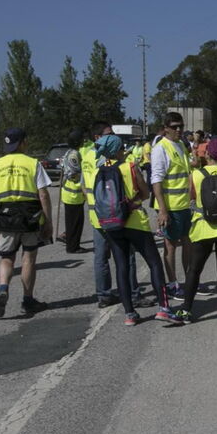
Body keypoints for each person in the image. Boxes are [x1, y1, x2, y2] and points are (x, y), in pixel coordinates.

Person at [93, 134, 181, 326]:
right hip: (135, 222)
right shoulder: (130, 167)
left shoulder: (100, 170)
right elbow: (145, 192)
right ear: (118, 149)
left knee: (122, 267)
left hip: (112, 224)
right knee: (154, 263)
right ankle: (164, 308)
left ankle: (129, 314)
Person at [0, 128, 53, 317]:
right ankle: (28, 300)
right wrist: (48, 222)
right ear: (23, 142)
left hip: (5, 218)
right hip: (29, 217)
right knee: (28, 258)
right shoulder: (33, 163)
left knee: (6, 258)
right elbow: (43, 195)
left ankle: (3, 288)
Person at [177, 137, 217, 328]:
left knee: (194, 270)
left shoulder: (196, 175)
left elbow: (192, 198)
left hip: (202, 228)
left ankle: (187, 310)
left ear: (207, 154)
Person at [81, 122, 144, 308]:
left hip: (98, 213)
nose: (113, 137)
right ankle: (132, 294)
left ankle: (104, 295)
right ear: (97, 138)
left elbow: (84, 185)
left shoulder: (86, 155)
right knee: (125, 256)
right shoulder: (111, 156)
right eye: (108, 134)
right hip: (116, 214)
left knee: (102, 256)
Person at [151, 112, 193, 301]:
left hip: (185, 206)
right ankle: (173, 284)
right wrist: (162, 209)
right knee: (170, 246)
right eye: (174, 126)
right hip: (171, 207)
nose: (179, 130)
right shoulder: (161, 148)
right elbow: (157, 181)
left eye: (181, 126)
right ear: (166, 128)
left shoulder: (181, 145)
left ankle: (189, 281)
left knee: (188, 244)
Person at [61, 129, 87, 254]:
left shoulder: (70, 152)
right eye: (82, 139)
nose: (84, 141)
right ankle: (73, 247)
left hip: (72, 195)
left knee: (73, 223)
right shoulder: (74, 155)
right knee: (75, 224)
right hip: (73, 194)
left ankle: (72, 244)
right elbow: (73, 174)